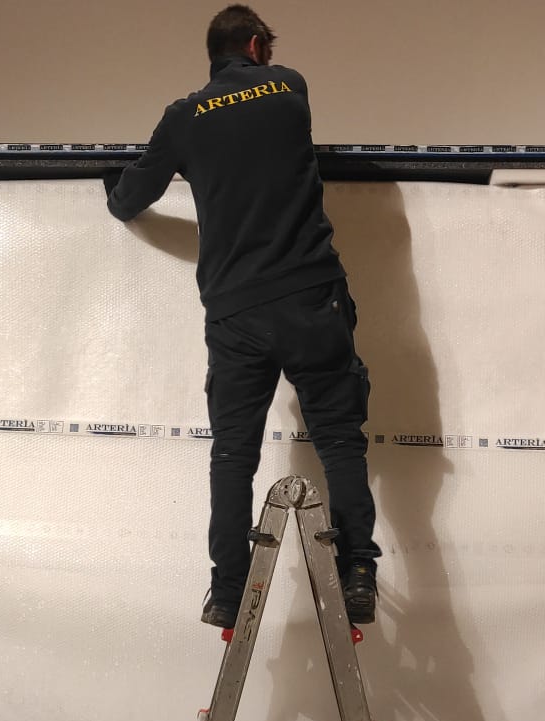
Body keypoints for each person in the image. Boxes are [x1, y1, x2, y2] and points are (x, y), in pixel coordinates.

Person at [105, 4, 379, 628]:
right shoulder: (289, 87)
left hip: (236, 313)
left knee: (233, 456)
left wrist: (113, 189)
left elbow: (130, 200)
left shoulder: (182, 118)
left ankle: (228, 592)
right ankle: (359, 572)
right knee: (340, 442)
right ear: (257, 46)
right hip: (311, 297)